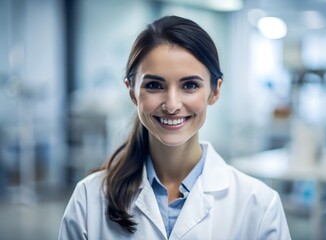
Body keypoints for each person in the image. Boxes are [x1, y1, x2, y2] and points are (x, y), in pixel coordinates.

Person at [58, 15, 291, 240]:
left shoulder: (259, 205)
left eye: (189, 85)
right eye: (154, 85)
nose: (171, 105)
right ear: (132, 92)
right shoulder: (89, 199)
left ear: (215, 91)